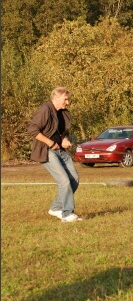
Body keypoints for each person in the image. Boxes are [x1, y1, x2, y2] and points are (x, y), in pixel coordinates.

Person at [27, 87, 82, 222]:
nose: (67, 103)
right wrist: (51, 143)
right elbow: (32, 130)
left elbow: (63, 133)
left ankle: (56, 208)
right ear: (56, 98)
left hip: (60, 150)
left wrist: (65, 140)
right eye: (65, 99)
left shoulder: (63, 113)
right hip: (46, 151)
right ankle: (67, 214)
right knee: (64, 180)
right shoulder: (45, 110)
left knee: (74, 178)